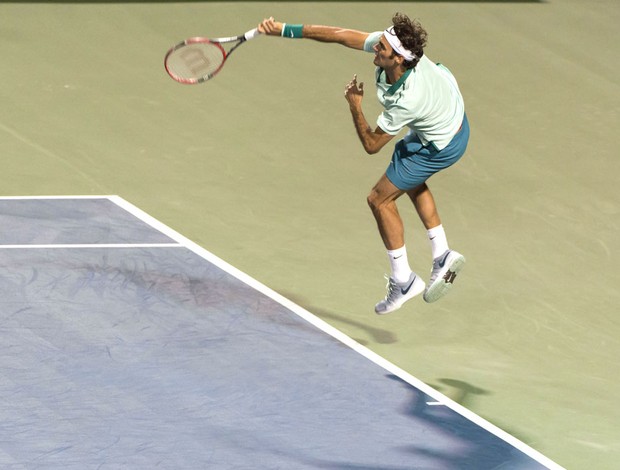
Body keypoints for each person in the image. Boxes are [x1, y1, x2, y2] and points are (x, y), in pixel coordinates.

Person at [258, 14, 469, 314]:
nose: (375, 48)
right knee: (406, 174)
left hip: (443, 142)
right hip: (451, 116)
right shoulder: (397, 55)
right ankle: (442, 253)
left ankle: (404, 280)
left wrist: (355, 106)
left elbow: (371, 145)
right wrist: (284, 30)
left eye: (381, 47)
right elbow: (341, 34)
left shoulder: (409, 99)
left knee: (379, 199)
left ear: (397, 59)